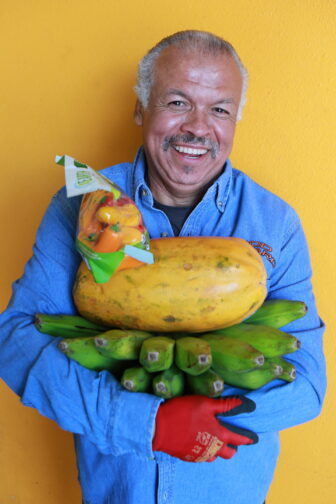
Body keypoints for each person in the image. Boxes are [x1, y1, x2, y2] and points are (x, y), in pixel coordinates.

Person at [0, 30, 326, 504]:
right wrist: (143, 424)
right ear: (140, 107)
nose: (198, 127)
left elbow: (308, 382)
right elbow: (16, 339)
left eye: (219, 109)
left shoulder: (274, 224)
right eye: (177, 102)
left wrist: (209, 417)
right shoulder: (82, 207)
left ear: (236, 118)